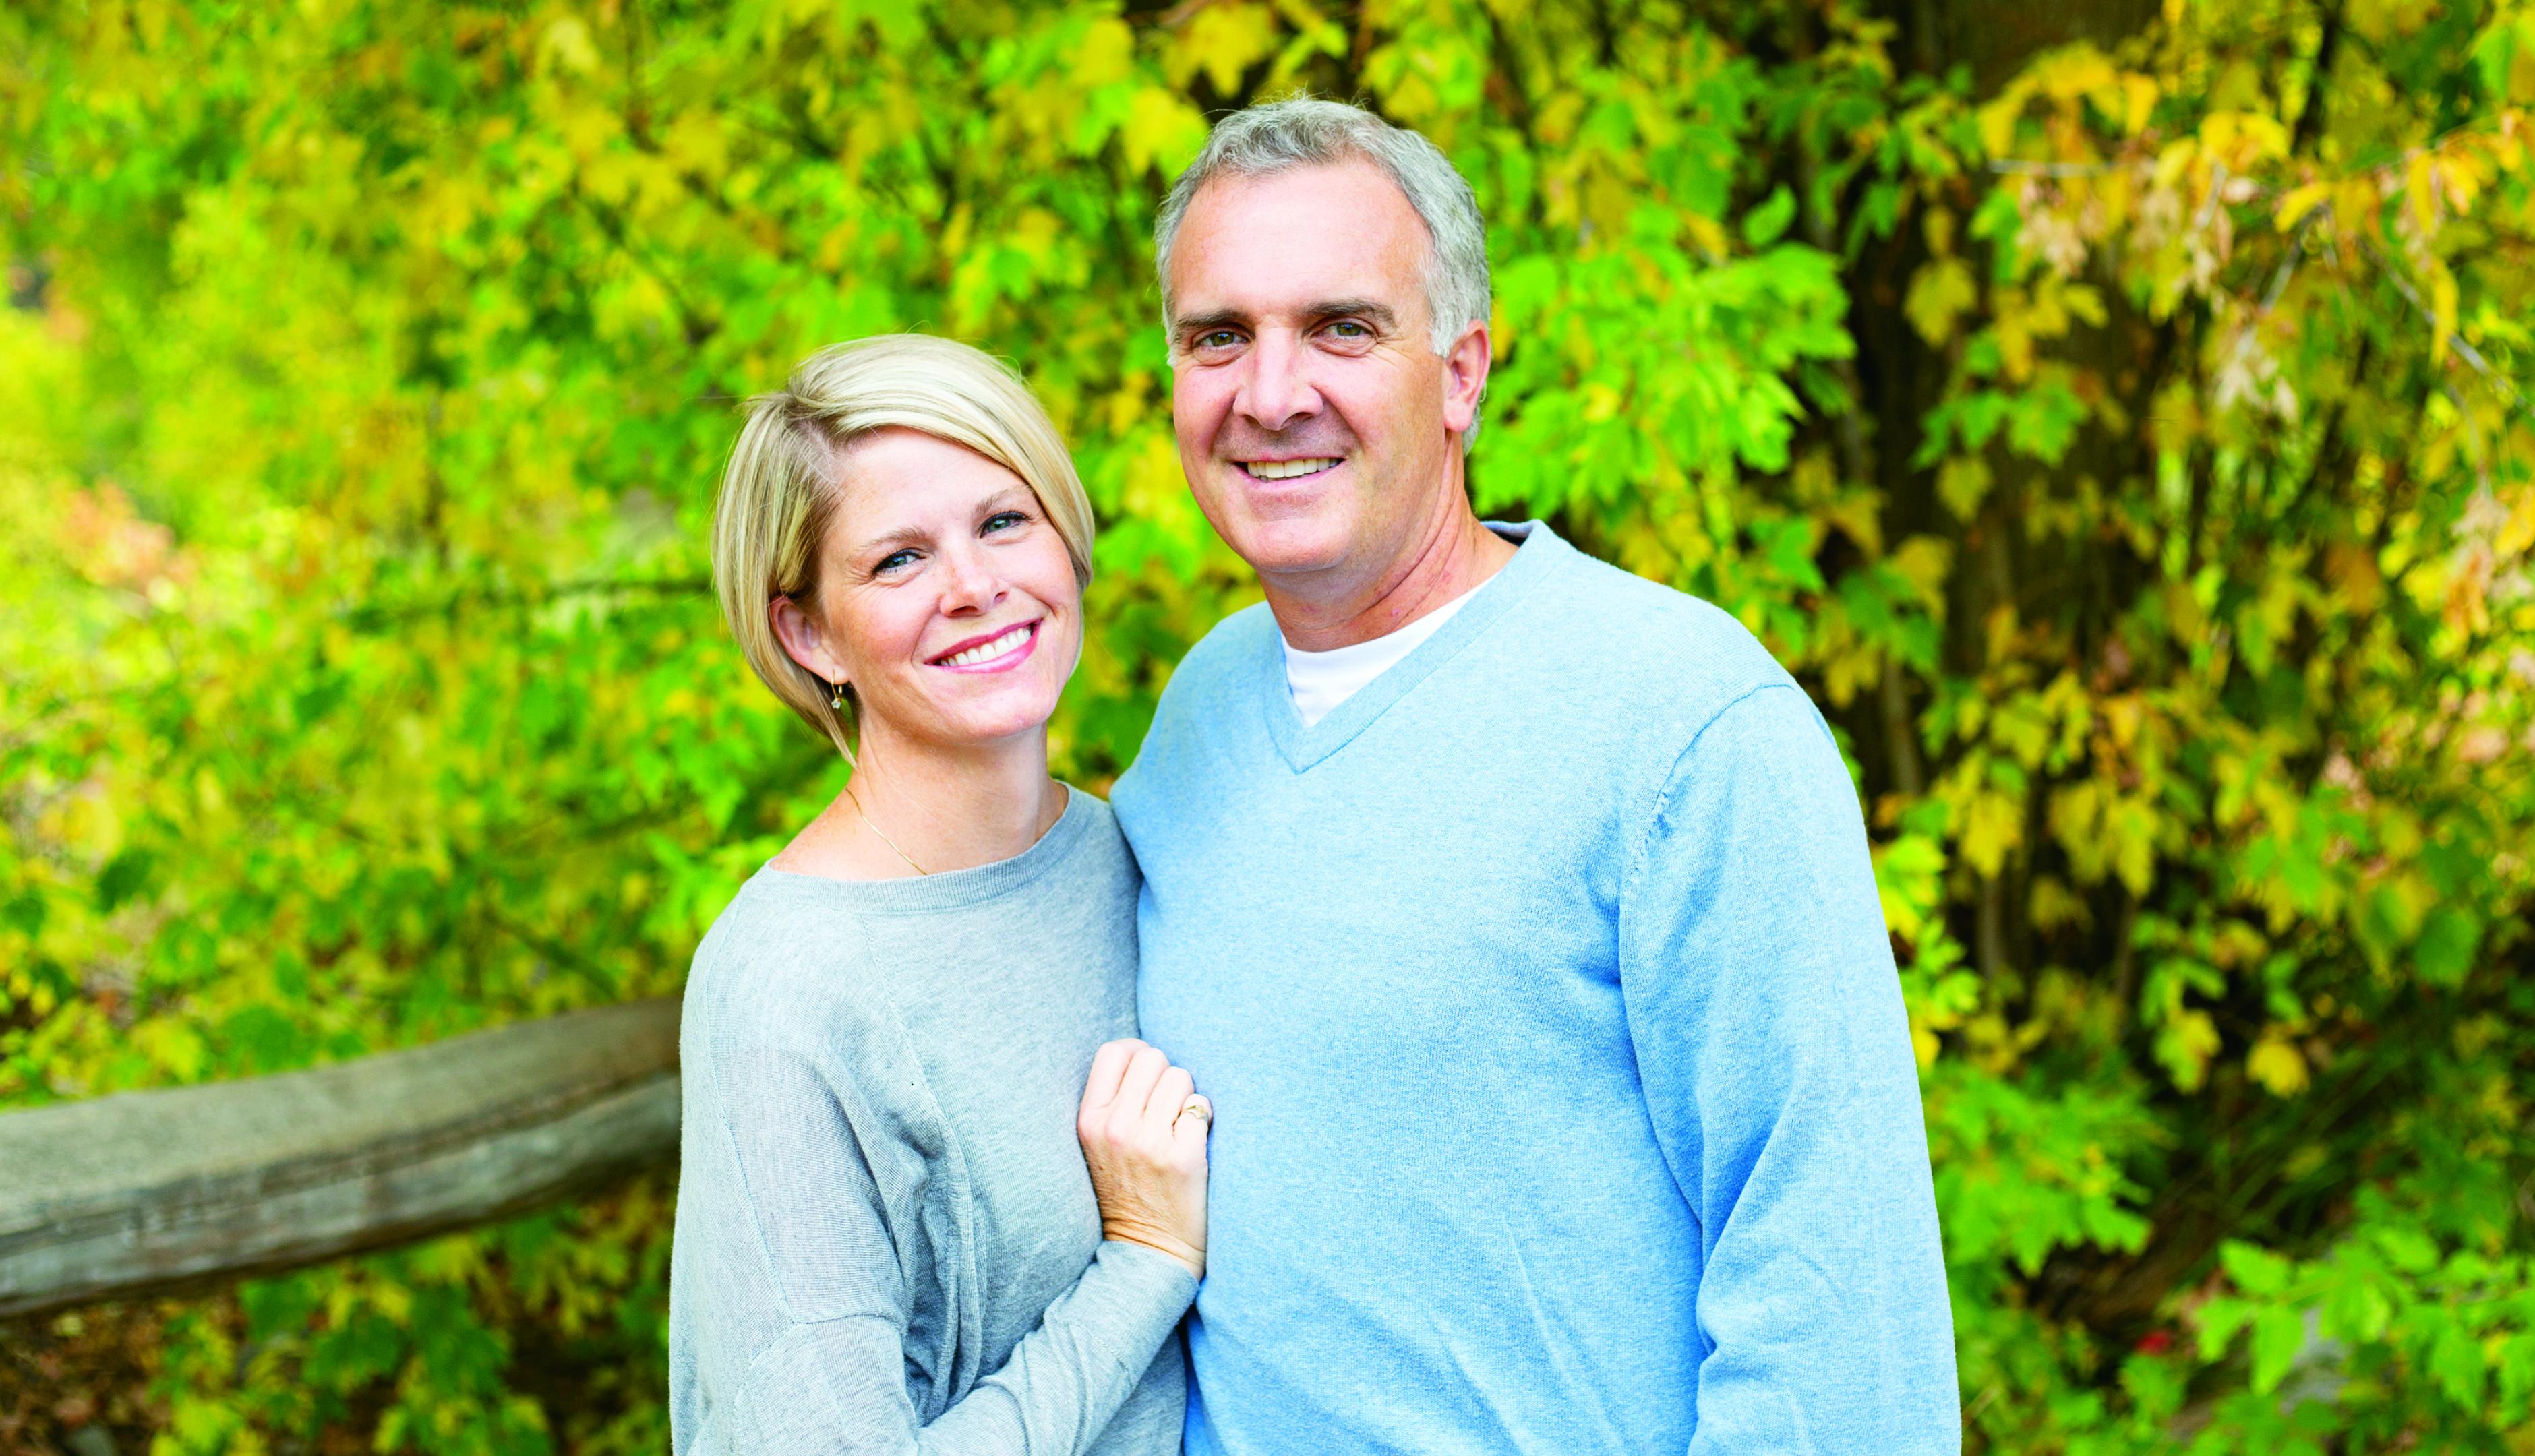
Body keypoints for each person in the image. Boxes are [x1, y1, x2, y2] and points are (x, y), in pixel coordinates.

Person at [1113, 100, 1961, 1453]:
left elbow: (1839, 1326)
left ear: (1461, 374)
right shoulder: (1202, 714)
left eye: (1341, 328)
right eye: (1219, 337)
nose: (1270, 395)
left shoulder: (1686, 727)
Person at [670, 334, 1212, 1455]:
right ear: (809, 632)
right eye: (899, 560)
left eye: (1004, 522)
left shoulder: (1143, 853)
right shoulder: (788, 994)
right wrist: (1145, 1262)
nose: (973, 588)